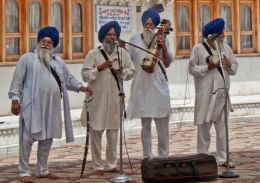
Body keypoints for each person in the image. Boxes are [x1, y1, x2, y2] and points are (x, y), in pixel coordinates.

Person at [8, 26, 92, 183]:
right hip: (32, 107)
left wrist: (81, 87)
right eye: (43, 41)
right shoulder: (27, 59)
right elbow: (17, 82)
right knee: (27, 140)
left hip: (52, 107)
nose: (46, 44)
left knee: (47, 140)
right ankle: (24, 171)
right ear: (38, 41)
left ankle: (42, 170)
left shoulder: (58, 62)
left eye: (49, 42)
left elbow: (69, 79)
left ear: (53, 45)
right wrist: (15, 100)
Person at [81, 21, 135, 173]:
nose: (112, 37)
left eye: (114, 35)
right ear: (103, 37)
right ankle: (98, 165)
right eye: (109, 34)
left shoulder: (122, 53)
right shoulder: (93, 54)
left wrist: (120, 72)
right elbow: (85, 75)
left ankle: (111, 165)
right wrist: (99, 68)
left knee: (113, 133)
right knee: (96, 134)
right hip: (97, 100)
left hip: (115, 99)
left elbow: (131, 71)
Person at [188, 18, 238, 168]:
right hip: (206, 96)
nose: (224, 35)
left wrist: (230, 65)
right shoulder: (198, 49)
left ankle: (223, 159)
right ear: (213, 36)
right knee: (204, 129)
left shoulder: (226, 49)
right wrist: (207, 67)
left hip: (222, 96)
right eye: (221, 33)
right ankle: (202, 157)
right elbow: (191, 69)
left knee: (222, 130)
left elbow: (234, 67)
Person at [126, 8, 174, 159]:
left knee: (162, 127)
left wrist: (164, 46)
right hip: (142, 87)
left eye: (151, 25)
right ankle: (148, 157)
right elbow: (127, 59)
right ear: (143, 24)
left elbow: (167, 63)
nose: (148, 27)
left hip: (159, 87)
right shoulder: (134, 40)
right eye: (146, 24)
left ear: (156, 27)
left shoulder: (163, 40)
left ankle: (163, 156)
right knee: (145, 126)